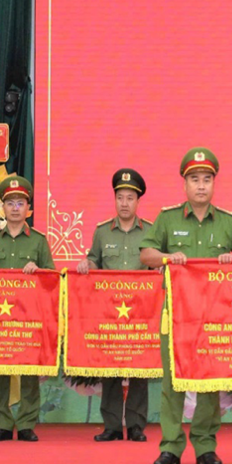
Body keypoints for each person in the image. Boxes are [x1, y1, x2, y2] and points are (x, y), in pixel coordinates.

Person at [139, 148, 232, 464]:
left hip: (214, 315)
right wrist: (168, 257)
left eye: (207, 179)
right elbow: (146, 254)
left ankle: (206, 445)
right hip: (177, 314)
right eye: (195, 179)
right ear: (185, 184)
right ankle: (171, 446)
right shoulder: (168, 218)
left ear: (214, 183)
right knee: (172, 383)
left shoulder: (228, 221)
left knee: (210, 381)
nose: (201, 185)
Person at [0, 176, 55, 443]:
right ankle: (1, 423)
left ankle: (27, 423)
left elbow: (52, 279)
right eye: (10, 203)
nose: (16, 208)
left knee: (29, 371)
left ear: (28, 208)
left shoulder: (39, 241)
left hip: (29, 317)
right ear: (3, 208)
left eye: (21, 203)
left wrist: (39, 270)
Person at [76, 169, 153, 443]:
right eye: (120, 197)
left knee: (139, 368)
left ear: (138, 201)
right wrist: (87, 264)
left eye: (130, 198)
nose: (124, 203)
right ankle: (111, 425)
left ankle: (136, 425)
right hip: (109, 311)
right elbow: (94, 259)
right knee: (109, 367)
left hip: (141, 312)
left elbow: (158, 265)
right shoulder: (101, 232)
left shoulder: (151, 232)